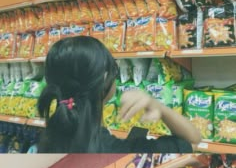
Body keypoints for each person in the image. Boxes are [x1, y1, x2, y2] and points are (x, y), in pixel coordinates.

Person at [37, 36, 201, 153]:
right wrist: (156, 105)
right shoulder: (123, 150)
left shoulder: (48, 140)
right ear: (104, 79)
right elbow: (193, 141)